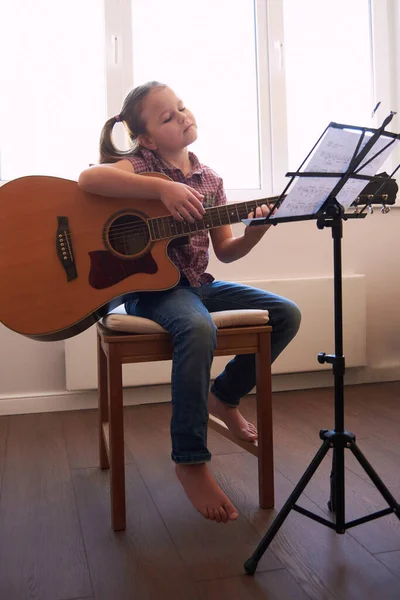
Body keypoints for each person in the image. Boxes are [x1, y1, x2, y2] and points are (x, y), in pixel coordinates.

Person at [78, 81, 301, 524]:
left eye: (181, 108)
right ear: (145, 138)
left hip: (199, 284)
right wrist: (161, 190)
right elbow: (88, 178)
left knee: (285, 314)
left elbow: (226, 251)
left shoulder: (211, 180)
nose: (182, 116)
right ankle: (191, 460)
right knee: (198, 328)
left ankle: (225, 396)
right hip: (151, 293)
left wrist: (254, 233)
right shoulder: (138, 165)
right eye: (167, 117)